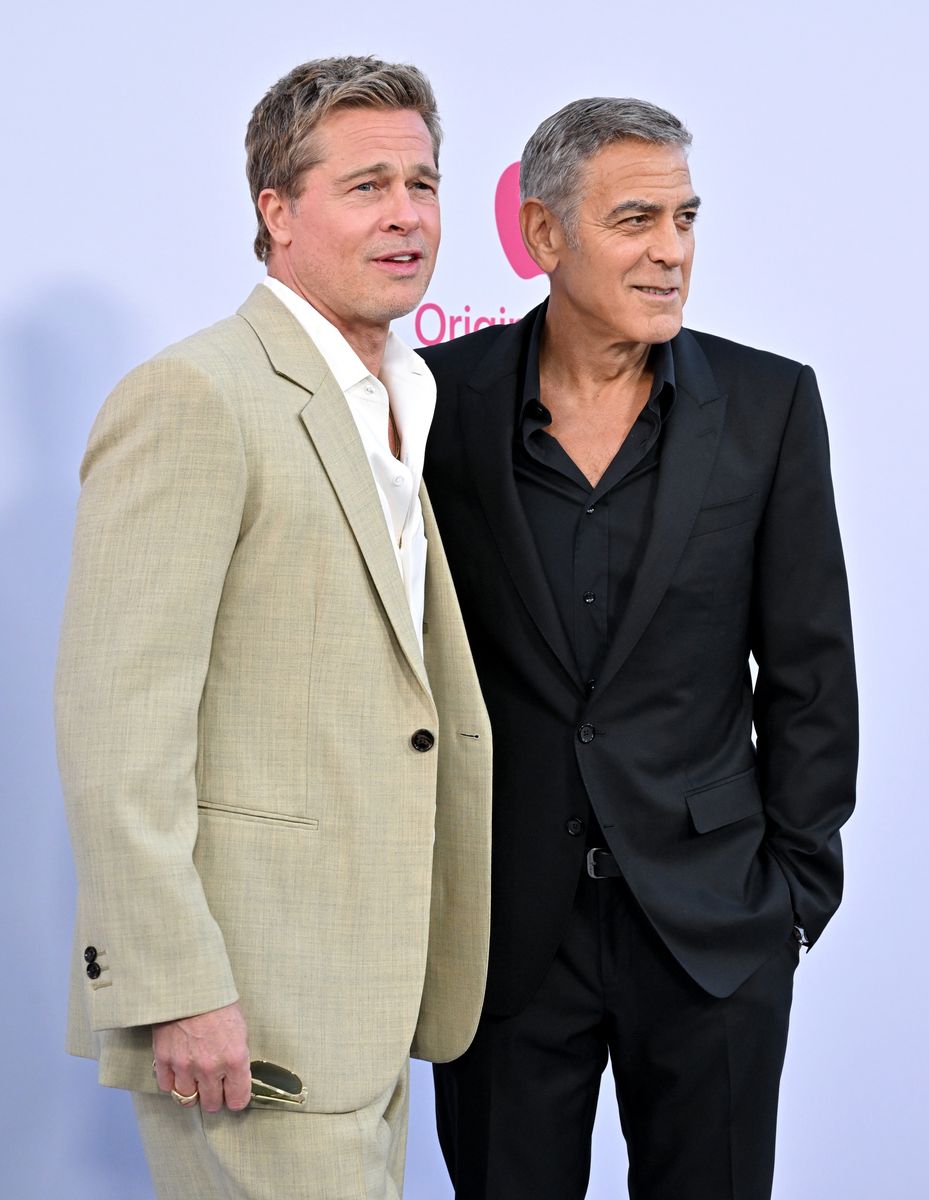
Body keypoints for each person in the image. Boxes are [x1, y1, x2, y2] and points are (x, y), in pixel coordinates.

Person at [55, 55, 491, 1200]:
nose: (406, 215)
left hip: (367, 1000)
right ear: (276, 209)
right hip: (245, 1011)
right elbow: (117, 729)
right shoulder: (195, 396)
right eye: (364, 186)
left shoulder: (410, 395)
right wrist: (173, 985)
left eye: (422, 182)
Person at [421, 97, 857, 1200]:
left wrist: (790, 895)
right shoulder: (438, 403)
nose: (671, 251)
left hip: (711, 925)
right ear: (543, 236)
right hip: (505, 938)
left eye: (684, 217)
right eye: (633, 220)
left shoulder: (767, 405)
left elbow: (810, 672)